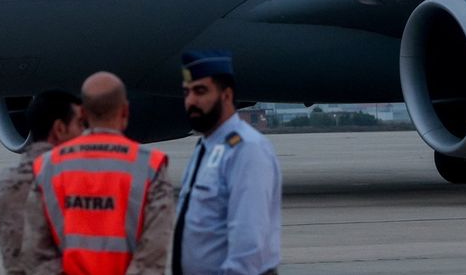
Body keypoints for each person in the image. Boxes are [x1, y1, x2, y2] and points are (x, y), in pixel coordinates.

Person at [23, 72, 173, 275]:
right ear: (125, 111)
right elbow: (153, 254)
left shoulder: (48, 165)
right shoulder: (149, 165)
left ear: (83, 114)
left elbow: (35, 252)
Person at [173, 50, 281, 275]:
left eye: (200, 91)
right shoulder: (208, 147)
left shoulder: (246, 149)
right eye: (187, 92)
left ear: (226, 95)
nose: (191, 101)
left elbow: (249, 243)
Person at [0, 90, 86, 274]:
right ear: (60, 128)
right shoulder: (73, 182)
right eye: (80, 124)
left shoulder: (4, 183)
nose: (84, 133)